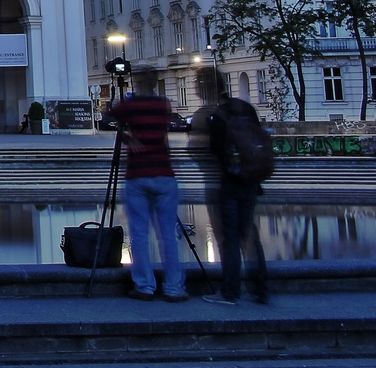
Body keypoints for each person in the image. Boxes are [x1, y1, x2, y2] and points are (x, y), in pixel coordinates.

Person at [190, 68, 271, 305]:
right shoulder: (245, 108)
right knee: (250, 235)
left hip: (224, 182)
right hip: (251, 179)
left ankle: (230, 291)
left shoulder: (209, 114)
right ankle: (260, 289)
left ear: (203, 88)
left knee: (228, 238)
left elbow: (205, 151)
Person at [110, 89, 188, 302]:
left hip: (138, 174)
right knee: (169, 236)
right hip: (164, 173)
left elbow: (111, 114)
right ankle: (174, 288)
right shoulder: (163, 104)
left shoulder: (130, 105)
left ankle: (144, 286)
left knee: (140, 234)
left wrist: (127, 137)